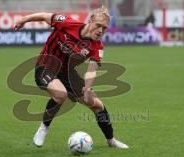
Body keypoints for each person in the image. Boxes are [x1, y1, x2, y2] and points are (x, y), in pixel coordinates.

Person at [14, 6, 129, 149]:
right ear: (90, 21)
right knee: (60, 94)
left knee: (98, 105)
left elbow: (92, 70)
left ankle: (111, 140)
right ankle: (44, 128)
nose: (100, 31)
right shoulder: (67, 23)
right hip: (45, 66)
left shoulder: (97, 46)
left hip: (66, 73)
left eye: (104, 28)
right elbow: (44, 15)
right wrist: (23, 20)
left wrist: (87, 89)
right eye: (98, 25)